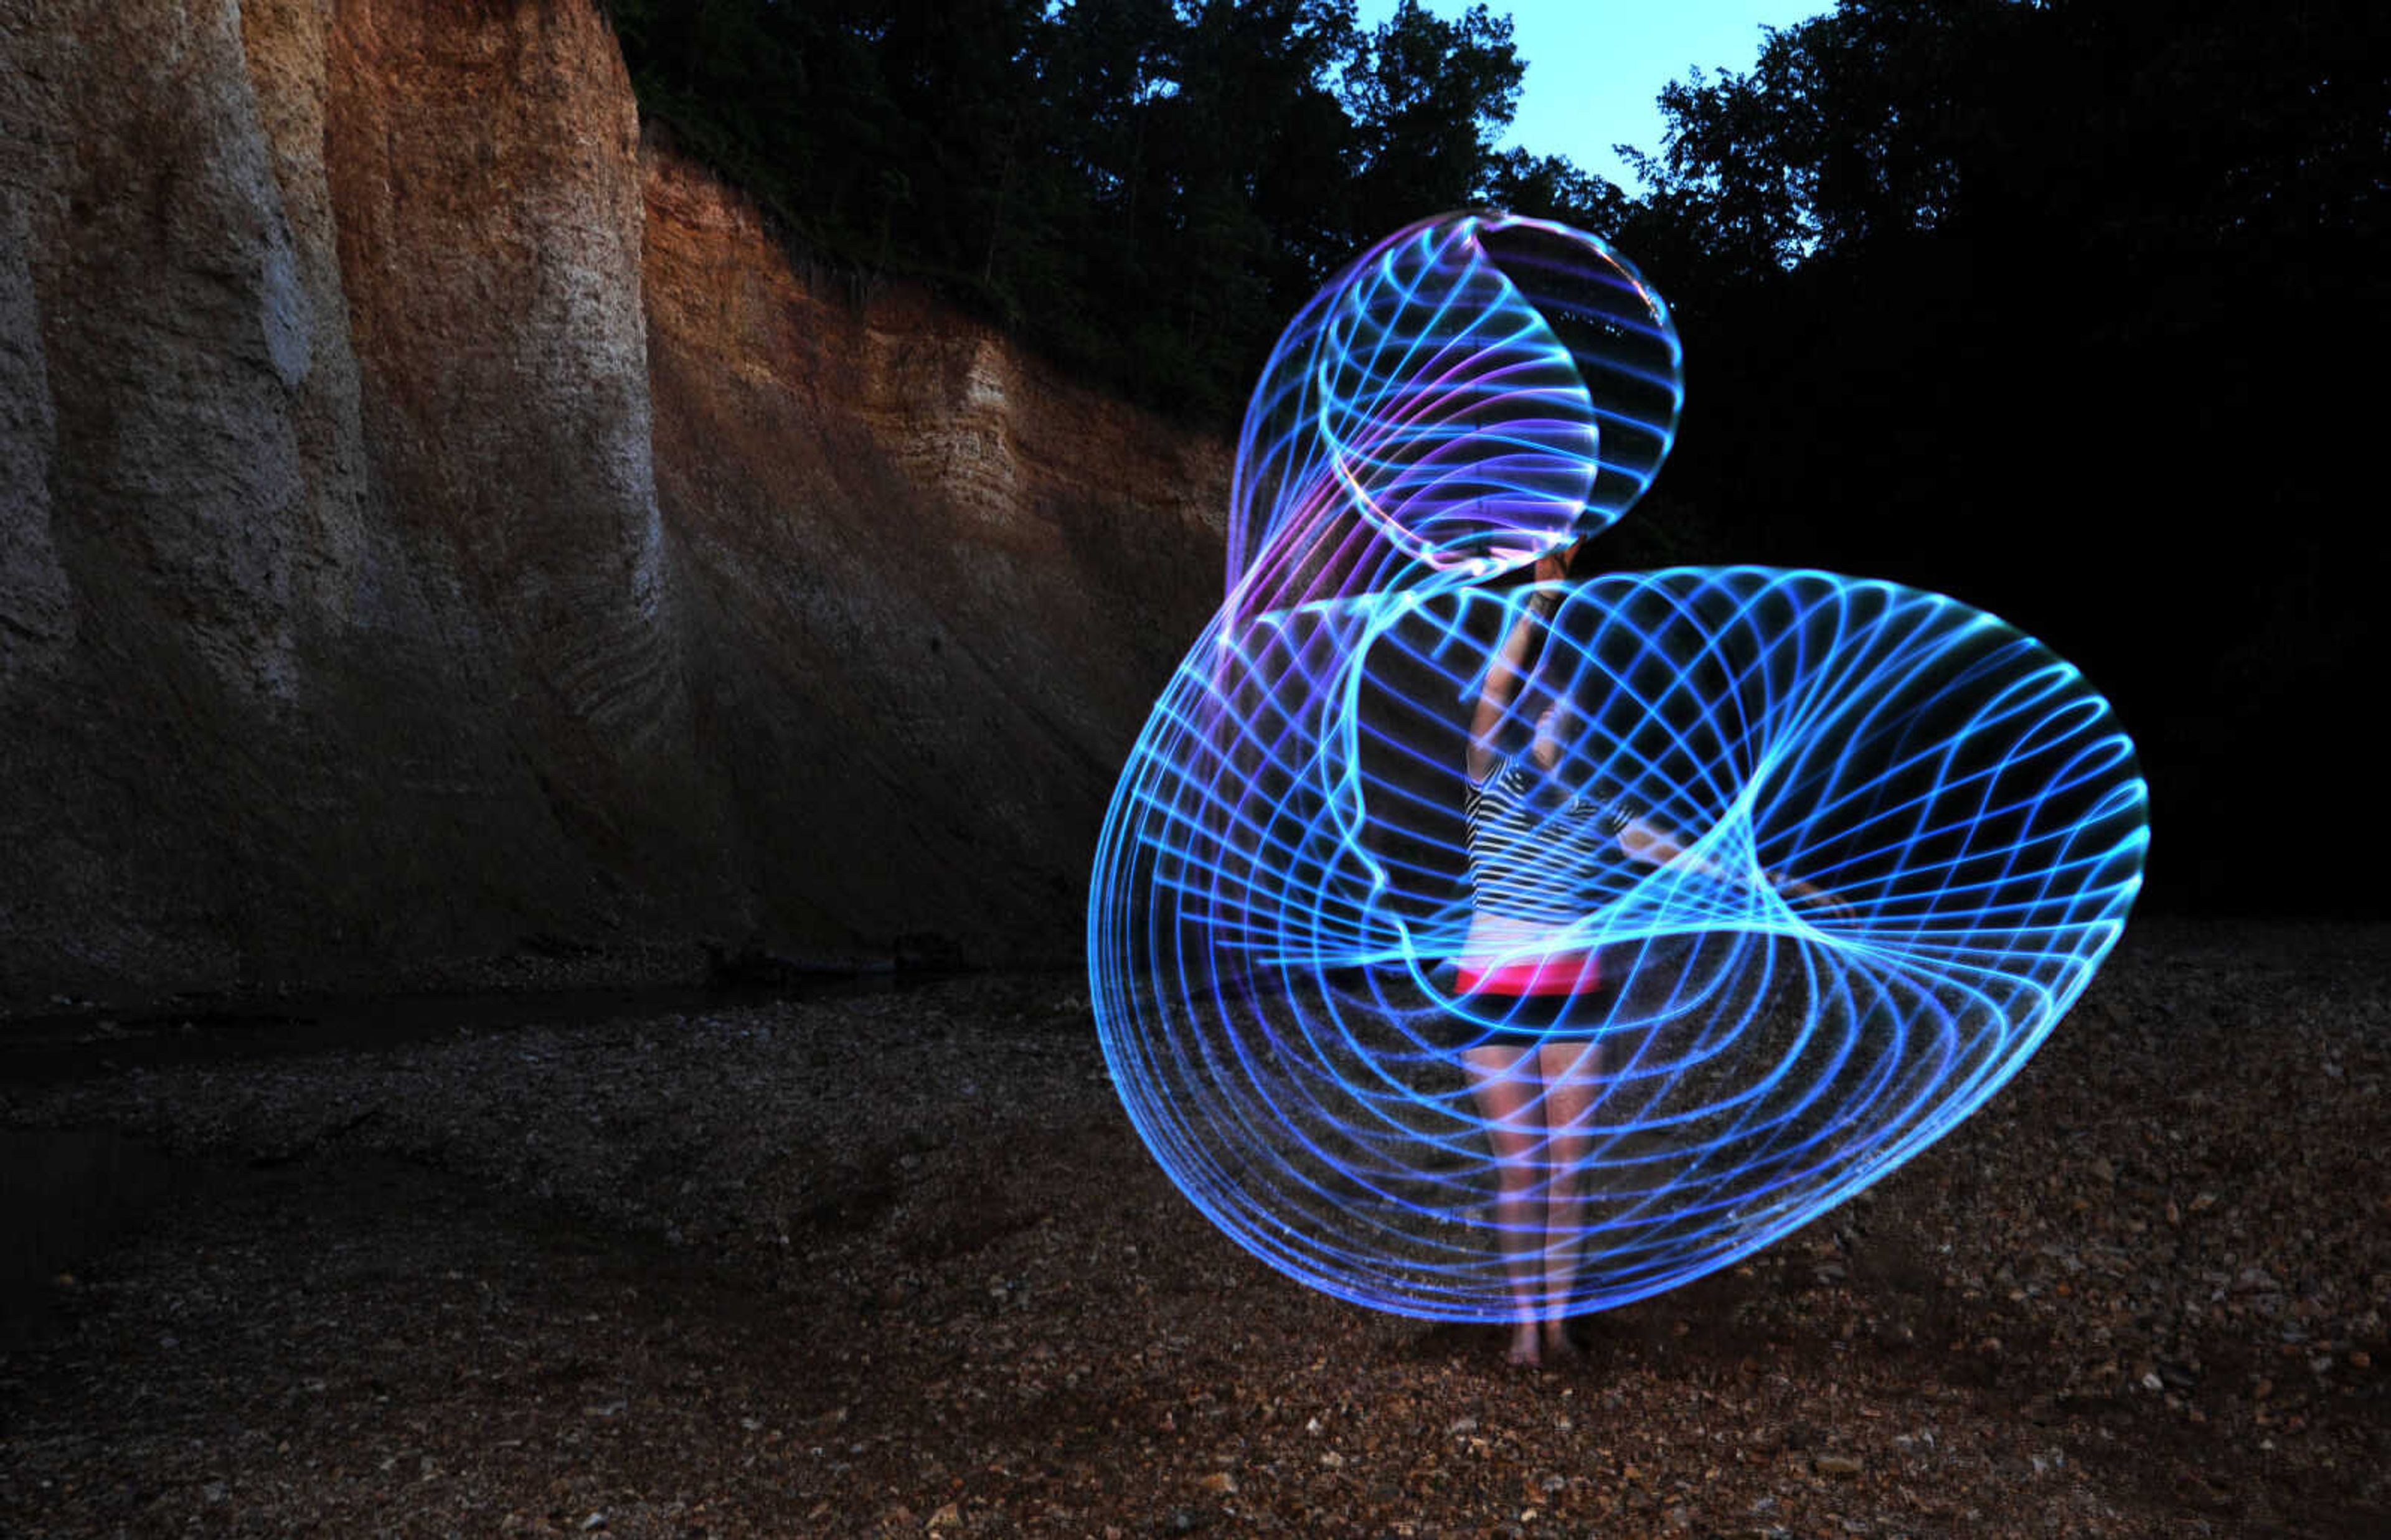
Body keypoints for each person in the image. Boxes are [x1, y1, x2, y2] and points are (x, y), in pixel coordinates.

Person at [1456, 541, 1841, 1366]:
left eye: (1570, 709)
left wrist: (1787, 893)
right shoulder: (1485, 776)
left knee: (1570, 1171)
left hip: (1573, 993)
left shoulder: (1600, 808)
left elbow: (1704, 858)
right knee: (1521, 1170)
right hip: (1489, 987)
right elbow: (1494, 685)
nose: (1556, 712)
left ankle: (1553, 1328)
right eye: (1546, 703)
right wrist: (1540, 598)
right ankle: (1524, 1332)